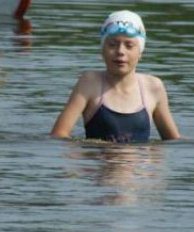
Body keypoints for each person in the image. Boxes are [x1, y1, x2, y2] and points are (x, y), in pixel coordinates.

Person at [51, 10, 181, 143]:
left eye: (129, 45)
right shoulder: (89, 83)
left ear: (140, 52)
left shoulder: (153, 87)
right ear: (102, 50)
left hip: (139, 162)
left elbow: (174, 142)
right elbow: (59, 135)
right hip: (97, 162)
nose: (120, 51)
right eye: (112, 44)